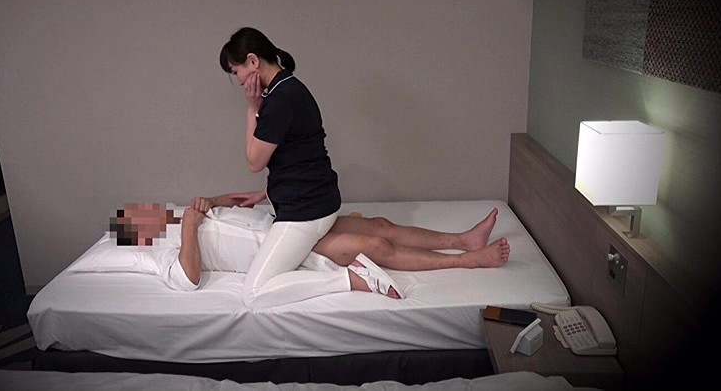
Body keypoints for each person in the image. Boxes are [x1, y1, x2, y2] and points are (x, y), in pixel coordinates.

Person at [112, 196, 511, 301]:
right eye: (140, 216)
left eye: (145, 208)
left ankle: (463, 240)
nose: (151, 211)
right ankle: (469, 261)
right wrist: (189, 227)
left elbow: (235, 205)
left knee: (380, 225)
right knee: (375, 245)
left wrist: (209, 202)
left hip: (287, 224)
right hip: (287, 248)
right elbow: (188, 279)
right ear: (139, 234)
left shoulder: (182, 214)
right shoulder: (164, 252)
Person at [219, 27, 344, 308]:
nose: (239, 81)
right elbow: (300, 155)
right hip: (317, 200)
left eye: (236, 71)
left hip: (306, 212)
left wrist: (252, 108)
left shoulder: (280, 99)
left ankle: (350, 279)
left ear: (253, 61)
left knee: (252, 294)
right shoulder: (288, 87)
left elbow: (254, 162)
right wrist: (269, 192)